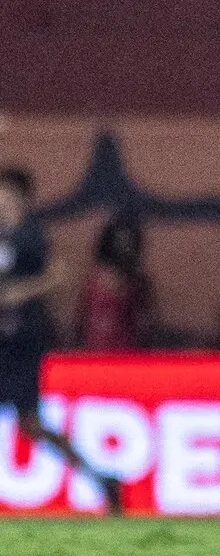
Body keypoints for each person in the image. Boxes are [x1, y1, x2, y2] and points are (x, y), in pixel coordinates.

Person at [0, 169, 123, 514]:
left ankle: (101, 479)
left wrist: (19, 293)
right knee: (32, 425)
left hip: (23, 341)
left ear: (22, 198)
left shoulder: (32, 236)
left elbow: (58, 276)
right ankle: (103, 480)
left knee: (32, 424)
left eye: (6, 195)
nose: (1, 201)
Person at [77, 215, 153, 351]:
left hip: (126, 353)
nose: (124, 248)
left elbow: (146, 323)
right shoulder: (94, 280)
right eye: (120, 242)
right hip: (96, 352)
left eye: (128, 243)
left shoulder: (138, 283)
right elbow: (82, 320)